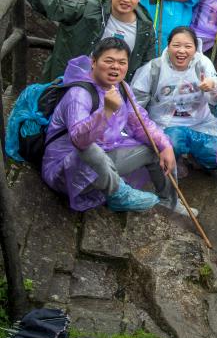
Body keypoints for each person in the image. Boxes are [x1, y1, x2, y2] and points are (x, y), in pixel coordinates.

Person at [41, 38, 180, 213]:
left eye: (122, 62)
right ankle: (118, 194)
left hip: (103, 162)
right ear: (93, 62)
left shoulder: (122, 88)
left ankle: (169, 202)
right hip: (65, 171)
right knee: (89, 148)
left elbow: (140, 123)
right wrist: (106, 111)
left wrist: (164, 145)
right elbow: (79, 140)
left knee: (156, 148)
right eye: (109, 61)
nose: (115, 67)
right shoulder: (79, 94)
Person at [9, 0, 155, 82]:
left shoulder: (145, 28)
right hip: (76, 83)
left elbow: (146, 65)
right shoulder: (90, 11)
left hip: (114, 90)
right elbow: (59, 7)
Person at [130, 26, 217, 172]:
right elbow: (136, 103)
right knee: (172, 143)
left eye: (188, 46)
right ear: (168, 46)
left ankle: (194, 157)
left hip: (200, 123)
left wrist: (213, 86)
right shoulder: (154, 67)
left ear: (195, 48)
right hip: (166, 125)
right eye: (176, 45)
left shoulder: (202, 63)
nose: (181, 51)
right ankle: (174, 160)